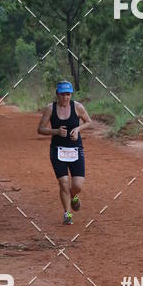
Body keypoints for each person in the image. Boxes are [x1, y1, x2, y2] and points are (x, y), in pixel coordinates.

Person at [37, 80, 92, 225]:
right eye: (62, 95)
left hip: (75, 149)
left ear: (71, 94)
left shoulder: (77, 107)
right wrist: (56, 131)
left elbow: (89, 122)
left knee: (77, 185)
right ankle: (67, 213)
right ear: (57, 94)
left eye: (68, 94)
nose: (65, 98)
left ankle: (73, 195)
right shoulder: (50, 109)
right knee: (63, 182)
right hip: (57, 151)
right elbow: (40, 129)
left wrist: (78, 130)